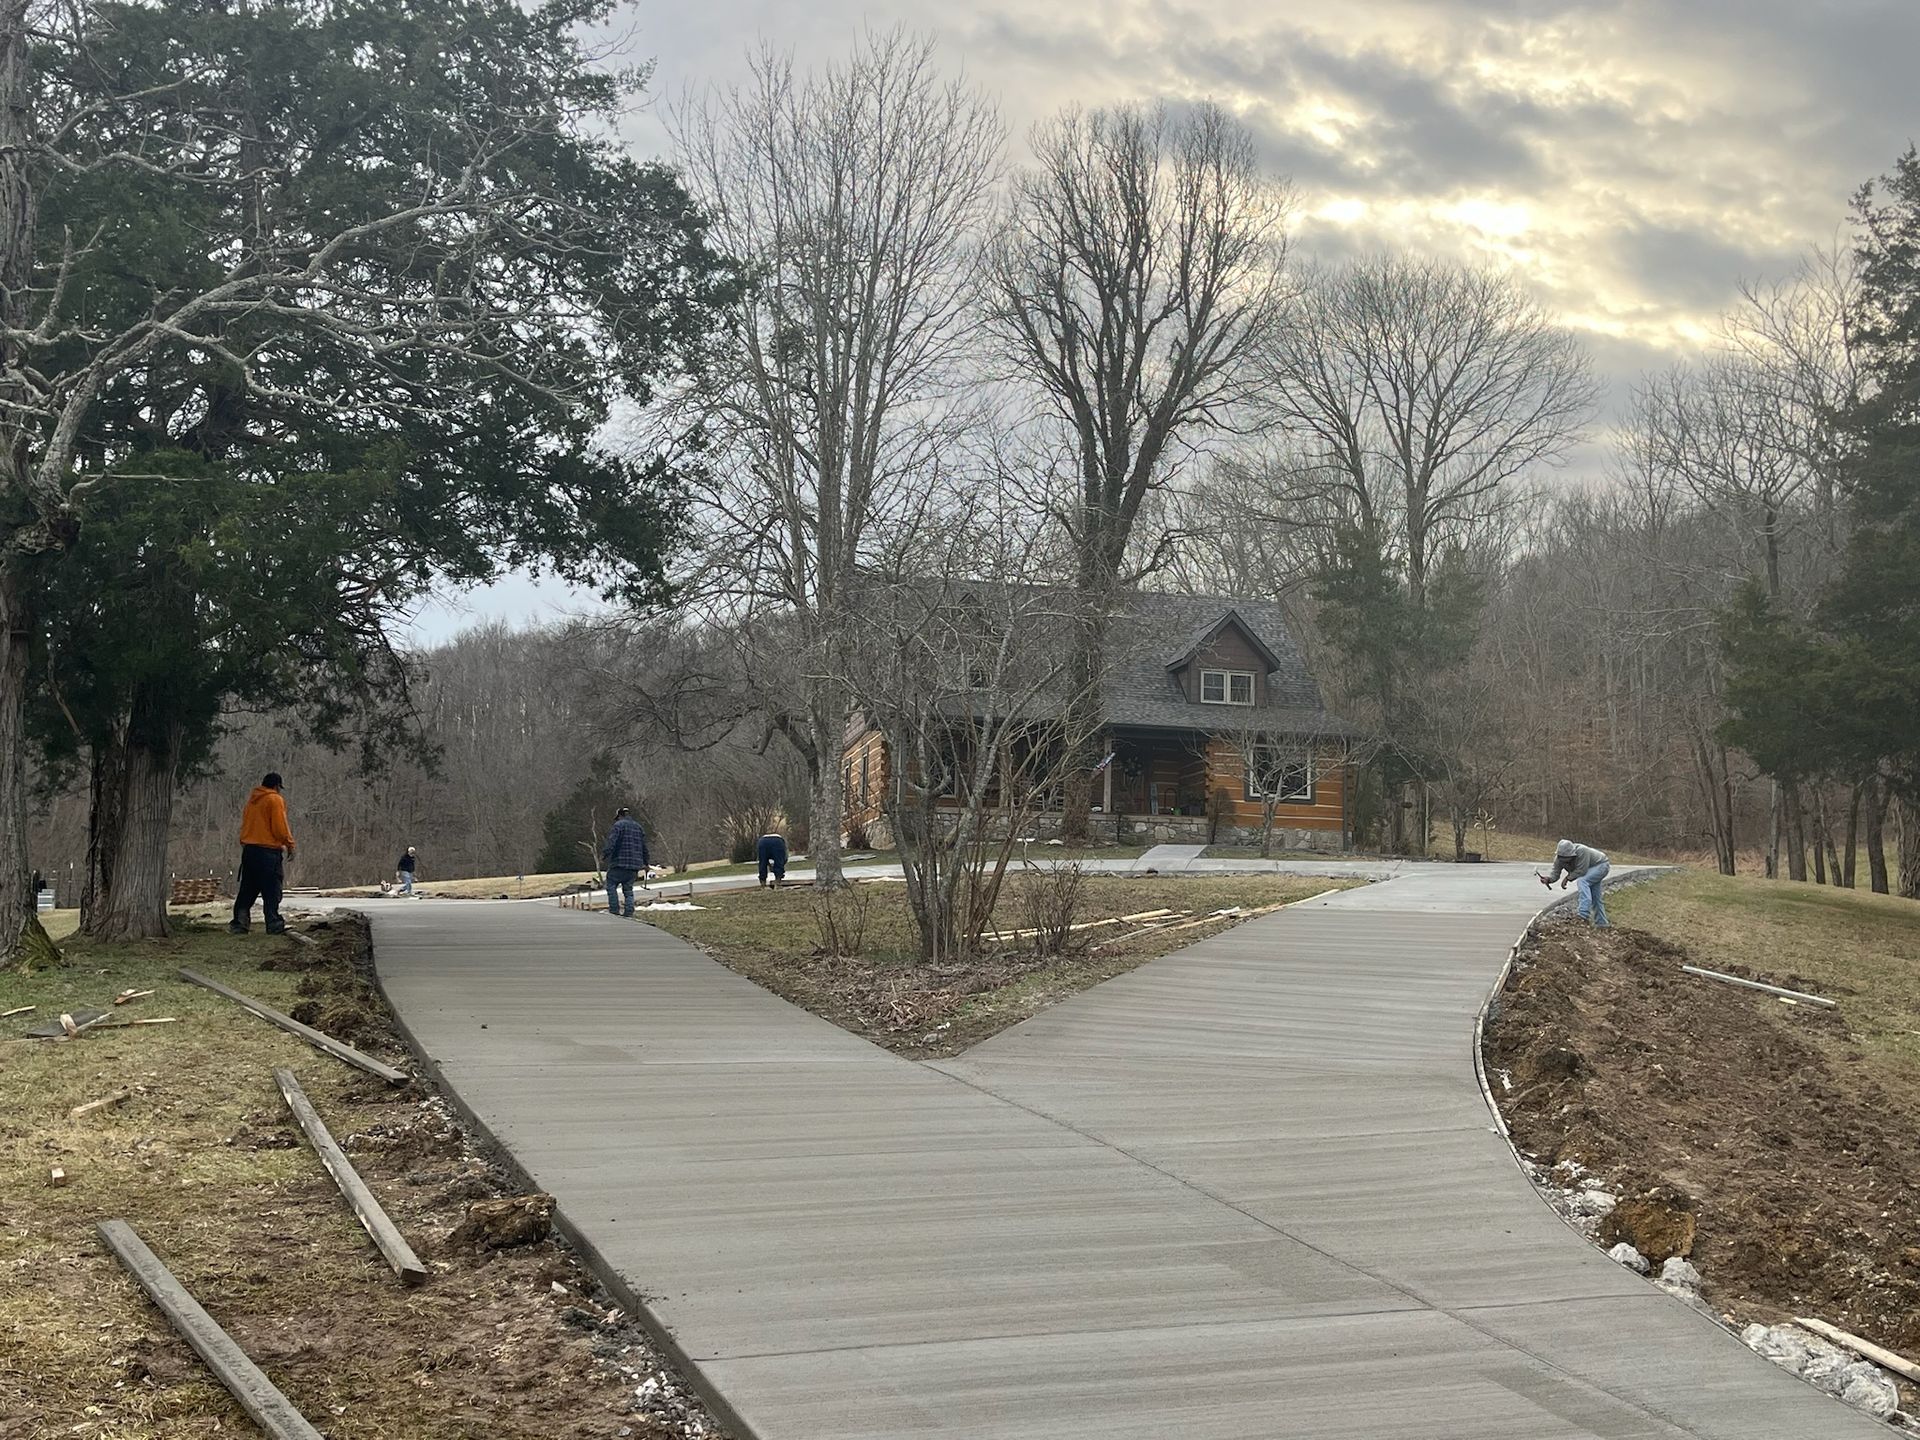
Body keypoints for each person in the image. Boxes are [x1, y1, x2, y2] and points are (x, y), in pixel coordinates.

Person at [231, 772, 296, 935]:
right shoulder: (274, 800)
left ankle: (240, 923)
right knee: (272, 889)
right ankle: (273, 923)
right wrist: (289, 844)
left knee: (247, 888)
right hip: (268, 852)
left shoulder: (251, 802)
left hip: (249, 851)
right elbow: (280, 827)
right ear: (276, 786)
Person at [1541, 838, 1610, 927]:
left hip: (1601, 865)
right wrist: (1549, 879)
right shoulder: (1559, 859)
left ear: (1572, 855)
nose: (1563, 860)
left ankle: (1583, 915)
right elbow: (1555, 873)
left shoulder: (1582, 851)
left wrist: (1567, 878)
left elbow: (1582, 870)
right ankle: (1602, 923)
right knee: (1595, 896)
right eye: (1561, 858)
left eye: (1566, 858)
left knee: (1582, 881)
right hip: (1590, 869)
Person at [602, 807, 649, 918]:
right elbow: (644, 847)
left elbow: (611, 842)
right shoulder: (639, 827)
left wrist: (605, 854)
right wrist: (646, 862)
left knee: (611, 885)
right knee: (628, 890)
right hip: (634, 865)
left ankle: (614, 911)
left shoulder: (618, 826)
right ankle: (629, 912)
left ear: (619, 815)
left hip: (619, 863)